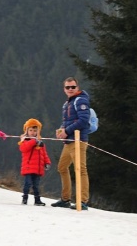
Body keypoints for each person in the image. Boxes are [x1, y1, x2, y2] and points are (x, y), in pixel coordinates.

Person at [51, 77, 91, 210]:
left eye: (73, 87)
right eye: (67, 87)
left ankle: (83, 201)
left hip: (78, 140)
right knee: (62, 167)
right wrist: (61, 130)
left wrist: (66, 131)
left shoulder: (81, 100)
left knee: (81, 170)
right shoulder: (67, 103)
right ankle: (66, 198)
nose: (70, 89)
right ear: (64, 89)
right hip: (69, 141)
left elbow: (83, 120)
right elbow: (67, 120)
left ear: (77, 87)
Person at [18, 118, 52, 206]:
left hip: (38, 168)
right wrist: (34, 141)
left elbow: (44, 154)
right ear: (27, 131)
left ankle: (37, 200)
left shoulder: (40, 143)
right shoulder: (24, 141)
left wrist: (47, 162)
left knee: (36, 185)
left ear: (38, 131)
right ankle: (25, 197)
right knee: (27, 183)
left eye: (35, 130)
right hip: (28, 167)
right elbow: (23, 148)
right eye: (30, 130)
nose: (32, 132)